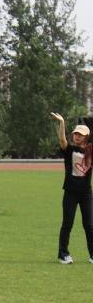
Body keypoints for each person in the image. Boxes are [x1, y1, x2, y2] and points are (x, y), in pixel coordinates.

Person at [49, 113, 93, 264]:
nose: (77, 136)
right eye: (75, 134)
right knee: (67, 224)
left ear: (87, 136)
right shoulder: (70, 150)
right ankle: (63, 254)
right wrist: (62, 123)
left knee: (90, 224)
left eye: (80, 135)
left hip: (86, 193)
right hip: (70, 192)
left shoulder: (90, 151)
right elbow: (62, 140)